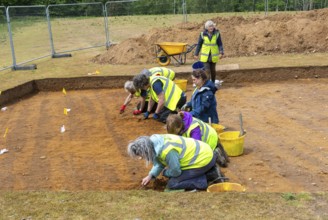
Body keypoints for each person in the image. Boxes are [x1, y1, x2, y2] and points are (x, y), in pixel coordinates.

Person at [127, 134, 227, 190]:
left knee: (173, 184)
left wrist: (166, 172)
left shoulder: (167, 151)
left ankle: (205, 178)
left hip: (204, 159)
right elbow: (159, 162)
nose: (141, 158)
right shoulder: (155, 142)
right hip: (203, 152)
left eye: (141, 155)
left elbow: (176, 171)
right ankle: (207, 171)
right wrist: (151, 175)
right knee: (172, 175)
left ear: (146, 150)